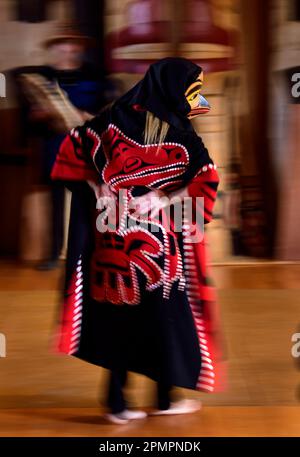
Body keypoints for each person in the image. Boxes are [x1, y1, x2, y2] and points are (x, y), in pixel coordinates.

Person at [51, 57, 225, 424]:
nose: (197, 98)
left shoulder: (108, 123)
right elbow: (207, 180)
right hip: (157, 249)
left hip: (109, 241)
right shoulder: (183, 138)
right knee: (165, 319)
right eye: (193, 90)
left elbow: (70, 149)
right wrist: (165, 198)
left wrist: (96, 184)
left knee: (118, 317)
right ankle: (164, 398)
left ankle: (118, 403)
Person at [13, 23, 117, 270]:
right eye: (62, 44)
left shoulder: (95, 75)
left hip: (87, 145)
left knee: (90, 200)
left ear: (79, 47)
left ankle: (94, 252)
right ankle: (53, 253)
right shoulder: (44, 76)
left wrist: (87, 116)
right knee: (56, 203)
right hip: (56, 147)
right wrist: (38, 114)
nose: (67, 48)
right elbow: (29, 114)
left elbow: (108, 110)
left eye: (72, 43)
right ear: (55, 47)